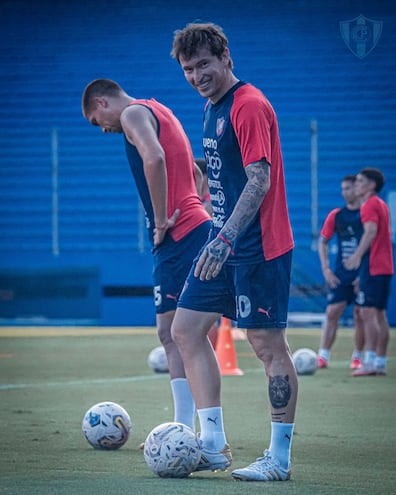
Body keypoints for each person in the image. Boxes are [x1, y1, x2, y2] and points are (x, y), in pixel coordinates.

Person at [171, 23, 297, 481]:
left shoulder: (247, 105)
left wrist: (225, 239)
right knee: (186, 330)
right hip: (220, 244)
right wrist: (216, 233)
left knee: (266, 345)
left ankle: (278, 460)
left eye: (204, 63)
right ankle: (211, 445)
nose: (197, 74)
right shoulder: (211, 107)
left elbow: (259, 179)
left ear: (226, 57)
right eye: (188, 69)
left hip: (258, 244)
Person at [81, 79, 212, 432]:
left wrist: (160, 220)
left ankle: (184, 428)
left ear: (101, 102)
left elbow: (153, 157)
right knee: (184, 333)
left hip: (177, 235)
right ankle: (194, 429)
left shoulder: (133, 114)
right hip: (194, 227)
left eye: (97, 121)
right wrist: (195, 205)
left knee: (171, 333)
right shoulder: (160, 109)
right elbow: (196, 172)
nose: (103, 130)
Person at [344, 167, 394, 376]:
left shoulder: (369, 205)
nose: (356, 185)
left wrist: (356, 256)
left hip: (374, 266)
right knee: (380, 316)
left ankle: (370, 361)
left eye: (360, 181)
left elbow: (371, 232)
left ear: (371, 186)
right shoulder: (380, 204)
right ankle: (380, 362)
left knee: (368, 314)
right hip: (384, 266)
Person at [317, 175, 365, 369]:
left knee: (361, 314)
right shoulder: (337, 215)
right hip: (341, 273)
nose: (346, 192)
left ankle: (358, 356)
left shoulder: (367, 214)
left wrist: (364, 274)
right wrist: (326, 268)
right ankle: (323, 356)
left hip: (363, 273)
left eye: (350, 188)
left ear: (358, 189)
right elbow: (323, 241)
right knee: (332, 312)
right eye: (343, 188)